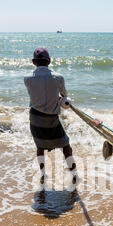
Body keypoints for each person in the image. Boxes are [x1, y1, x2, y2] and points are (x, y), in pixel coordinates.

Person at [24, 47, 77, 188]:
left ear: (33, 62)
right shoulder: (58, 77)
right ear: (49, 61)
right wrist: (61, 99)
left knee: (40, 146)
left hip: (35, 117)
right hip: (51, 119)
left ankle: (42, 173)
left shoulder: (27, 79)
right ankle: (74, 174)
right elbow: (64, 95)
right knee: (66, 146)